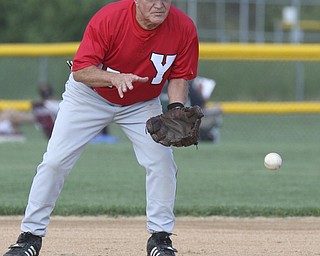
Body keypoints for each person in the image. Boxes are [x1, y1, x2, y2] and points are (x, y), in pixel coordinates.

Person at [3, 0, 198, 256]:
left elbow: (179, 75)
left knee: (161, 162)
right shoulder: (110, 18)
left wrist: (175, 107)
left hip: (141, 102)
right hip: (89, 96)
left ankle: (160, 239)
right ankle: (29, 237)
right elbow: (82, 70)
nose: (160, 4)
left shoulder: (183, 27)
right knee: (55, 162)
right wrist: (114, 78)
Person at [189, 77, 223, 142]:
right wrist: (200, 92)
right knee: (218, 109)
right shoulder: (188, 87)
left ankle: (204, 135)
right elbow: (201, 104)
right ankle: (206, 135)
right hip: (193, 119)